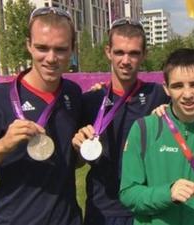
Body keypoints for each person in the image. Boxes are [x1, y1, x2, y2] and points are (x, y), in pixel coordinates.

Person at [0, 7, 83, 224]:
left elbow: (71, 163)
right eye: (42, 47)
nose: (51, 58)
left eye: (60, 49)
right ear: (29, 46)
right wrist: (3, 145)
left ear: (72, 49)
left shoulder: (73, 93)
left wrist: (80, 149)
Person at [119, 48, 194, 225]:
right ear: (166, 88)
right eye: (178, 86)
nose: (187, 94)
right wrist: (167, 193)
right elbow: (128, 193)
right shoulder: (144, 129)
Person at [72, 18, 169, 225]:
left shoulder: (158, 95)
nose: (126, 60)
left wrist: (170, 111)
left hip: (147, 205)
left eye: (133, 53)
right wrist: (78, 145)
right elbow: (77, 162)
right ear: (108, 52)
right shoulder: (91, 100)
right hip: (104, 210)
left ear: (144, 55)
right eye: (119, 52)